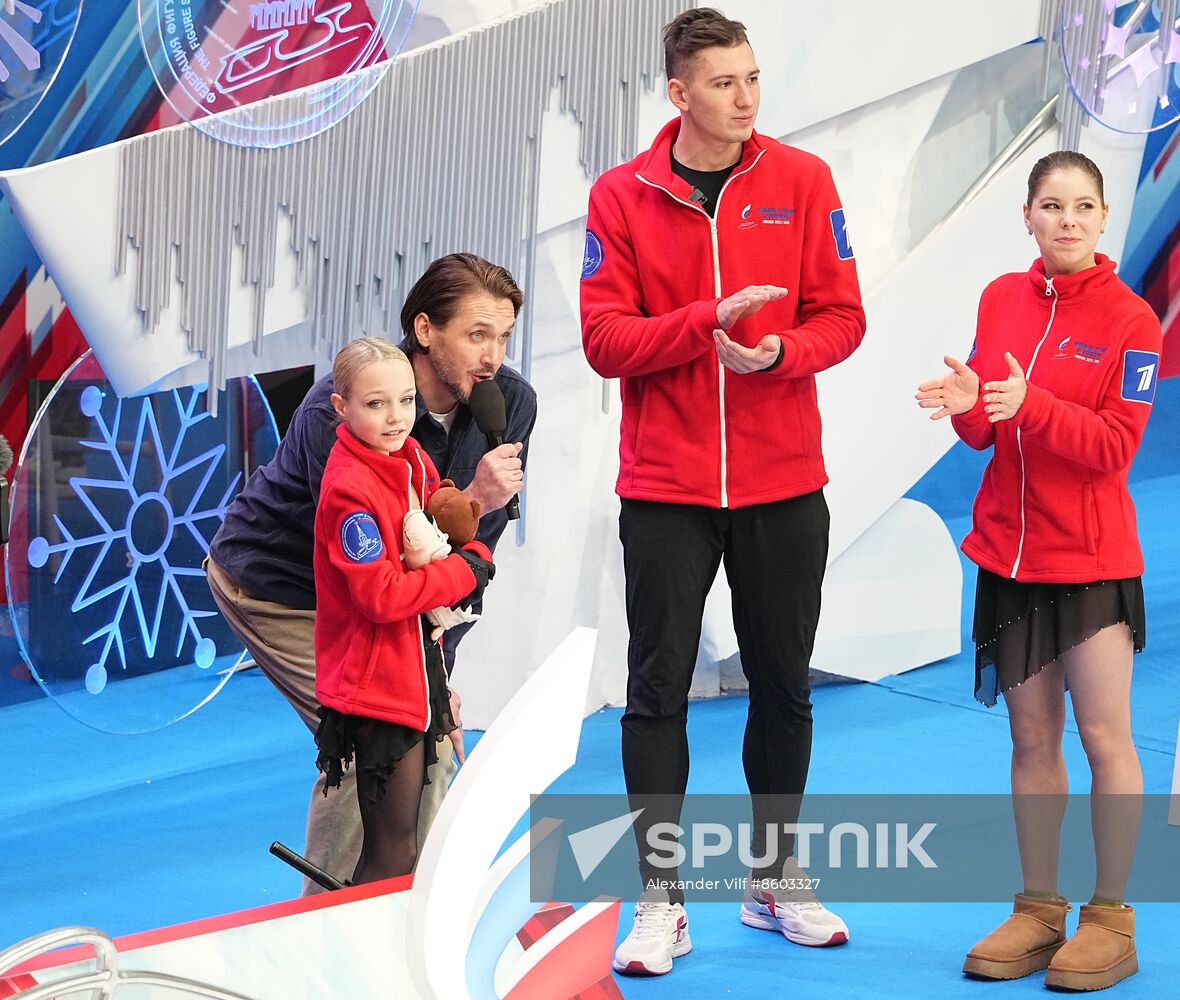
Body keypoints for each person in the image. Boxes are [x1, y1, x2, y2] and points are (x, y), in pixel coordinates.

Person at [579, 7, 865, 976]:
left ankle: (772, 878)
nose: (746, 97)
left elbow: (843, 316)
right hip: (665, 485)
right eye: (723, 82)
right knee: (655, 692)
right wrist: (703, 321)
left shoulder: (802, 180)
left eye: (751, 77)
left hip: (785, 480)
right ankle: (659, 900)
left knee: (783, 685)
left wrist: (780, 351)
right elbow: (604, 340)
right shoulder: (620, 196)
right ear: (678, 92)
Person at [206, 253, 536, 892]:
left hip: (389, 598)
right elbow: (370, 576)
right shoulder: (343, 415)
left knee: (426, 736)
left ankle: (408, 908)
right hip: (283, 586)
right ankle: (330, 928)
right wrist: (422, 683)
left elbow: (468, 564)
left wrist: (435, 672)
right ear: (424, 330)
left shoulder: (509, 402)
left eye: (503, 336)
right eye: (476, 335)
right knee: (374, 745)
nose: (493, 354)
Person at [916, 150, 1160, 991]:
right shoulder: (999, 299)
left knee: (1104, 739)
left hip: (1090, 563)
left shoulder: (1134, 322)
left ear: (1102, 221)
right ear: (1027, 215)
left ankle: (1111, 917)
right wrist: (965, 411)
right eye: (1051, 205)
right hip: (1007, 556)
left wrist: (1036, 405)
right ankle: (1039, 909)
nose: (1067, 220)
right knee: (1030, 739)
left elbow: (1114, 449)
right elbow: (988, 429)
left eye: (1083, 207)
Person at [311, 337, 495, 883]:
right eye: (376, 404)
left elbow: (437, 501)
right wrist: (465, 570)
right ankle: (357, 958)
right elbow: (382, 595)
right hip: (376, 691)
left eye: (407, 400)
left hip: (413, 672)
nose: (397, 417)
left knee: (408, 844)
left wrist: (467, 521)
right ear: (342, 408)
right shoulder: (348, 489)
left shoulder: (408, 455)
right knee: (392, 852)